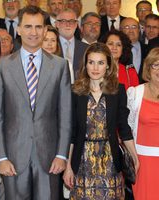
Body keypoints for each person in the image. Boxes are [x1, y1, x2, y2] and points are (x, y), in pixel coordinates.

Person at [0, 5, 71, 200]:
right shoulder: (1, 67)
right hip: (13, 158)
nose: (33, 32)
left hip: (50, 159)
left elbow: (65, 115)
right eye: (28, 26)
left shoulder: (60, 66)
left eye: (38, 27)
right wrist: (1, 157)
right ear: (18, 29)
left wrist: (61, 155)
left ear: (45, 30)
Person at [63, 42, 139, 199]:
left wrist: (134, 157)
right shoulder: (75, 92)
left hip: (110, 160)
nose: (95, 68)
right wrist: (68, 166)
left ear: (108, 66)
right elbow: (71, 132)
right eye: (91, 62)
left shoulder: (118, 91)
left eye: (100, 62)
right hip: (83, 160)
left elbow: (124, 129)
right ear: (85, 65)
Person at [127, 47, 159, 200]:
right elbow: (125, 130)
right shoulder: (135, 93)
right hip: (143, 163)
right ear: (148, 68)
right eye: (156, 65)